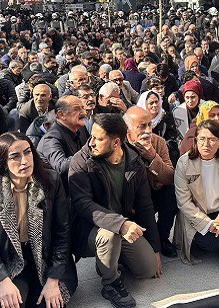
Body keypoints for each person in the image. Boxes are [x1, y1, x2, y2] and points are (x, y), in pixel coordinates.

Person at [0, 132, 78, 307]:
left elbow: (62, 234)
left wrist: (53, 279)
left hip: (47, 260)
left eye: (28, 152)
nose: (25, 161)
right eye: (15, 156)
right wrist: (3, 280)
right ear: (2, 162)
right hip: (9, 261)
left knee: (49, 303)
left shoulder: (50, 181)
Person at [69, 113, 161, 308]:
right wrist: (121, 224)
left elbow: (145, 206)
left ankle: (112, 258)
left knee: (148, 269)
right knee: (109, 237)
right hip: (90, 230)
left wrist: (155, 248)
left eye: (98, 138)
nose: (91, 142)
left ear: (116, 142)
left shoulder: (134, 161)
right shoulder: (81, 160)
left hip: (123, 228)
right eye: (91, 136)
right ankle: (110, 283)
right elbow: (82, 204)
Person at [174, 120, 219, 273]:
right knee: (211, 244)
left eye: (212, 139)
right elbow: (184, 202)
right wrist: (209, 224)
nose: (206, 144)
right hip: (200, 214)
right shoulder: (184, 163)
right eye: (202, 139)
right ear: (196, 140)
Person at [123, 107, 178, 257]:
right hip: (130, 200)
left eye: (150, 124)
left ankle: (162, 239)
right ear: (128, 129)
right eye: (142, 126)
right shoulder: (119, 146)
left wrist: (153, 156)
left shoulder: (158, 142)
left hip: (152, 193)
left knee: (171, 194)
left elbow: (169, 177)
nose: (148, 130)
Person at [37, 95, 88, 190]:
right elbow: (60, 167)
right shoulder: (51, 138)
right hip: (61, 193)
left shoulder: (81, 128)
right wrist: (88, 152)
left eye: (83, 108)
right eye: (77, 109)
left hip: (80, 184)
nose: (83, 113)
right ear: (61, 115)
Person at [137, 90, 180, 163]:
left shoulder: (166, 117)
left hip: (164, 151)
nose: (155, 105)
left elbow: (172, 138)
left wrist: (159, 148)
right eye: (151, 103)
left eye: (156, 102)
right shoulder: (138, 120)